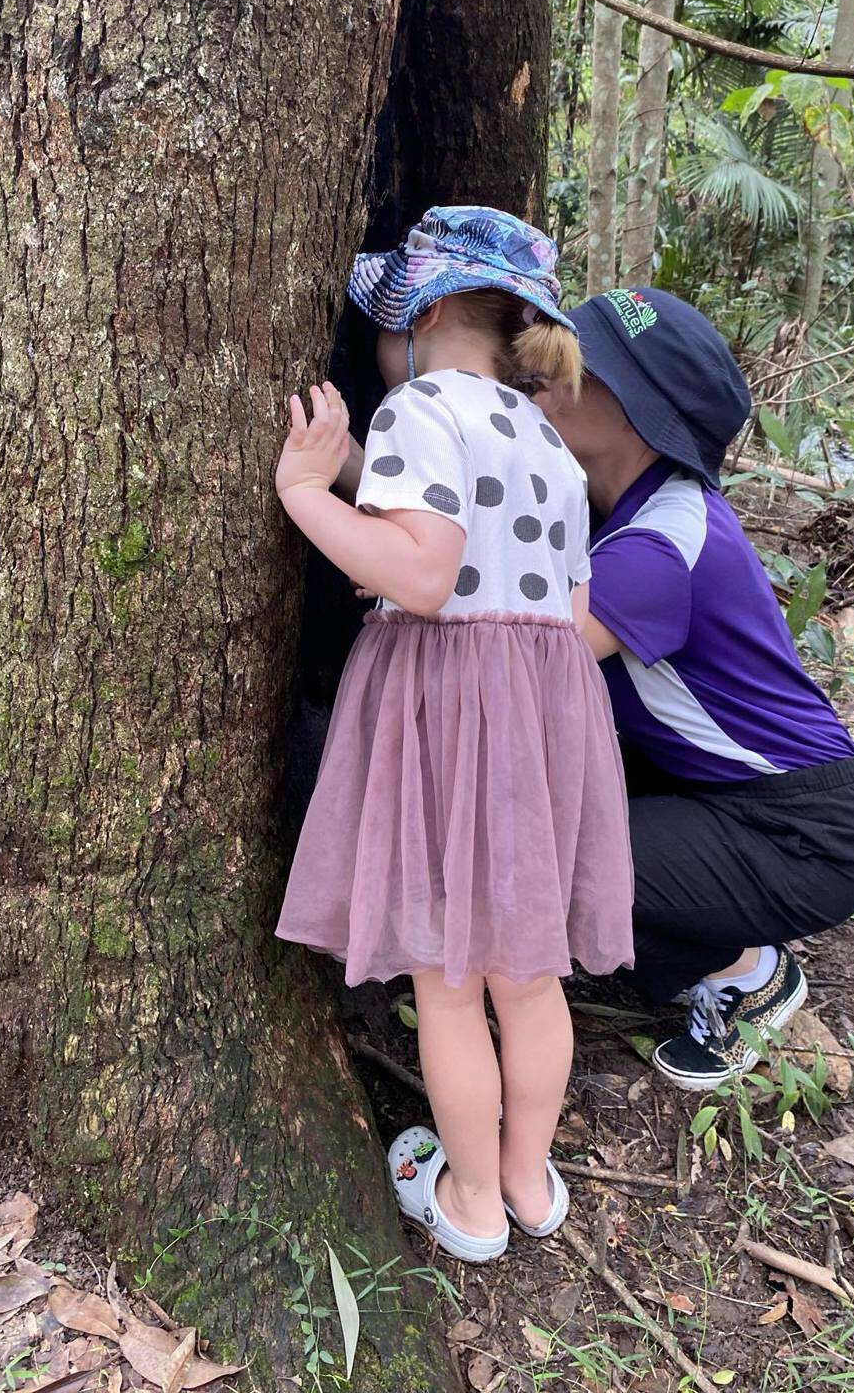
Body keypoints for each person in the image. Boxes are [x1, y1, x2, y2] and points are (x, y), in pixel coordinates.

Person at [274, 208, 634, 1261]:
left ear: (423, 316)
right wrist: (371, 511)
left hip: (447, 709)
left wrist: (306, 489)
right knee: (527, 973)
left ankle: (470, 1201)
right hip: (540, 713)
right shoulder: (546, 440)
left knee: (446, 976)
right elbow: (540, 588)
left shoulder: (419, 406)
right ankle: (528, 1176)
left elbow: (427, 577)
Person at [533, 286, 854, 1092]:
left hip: (805, 835)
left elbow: (510, 668)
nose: (545, 379)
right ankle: (695, 931)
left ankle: (745, 968)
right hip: (713, 787)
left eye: (577, 369)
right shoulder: (616, 505)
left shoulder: (658, 546)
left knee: (536, 851)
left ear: (639, 417)